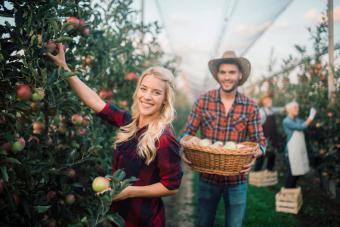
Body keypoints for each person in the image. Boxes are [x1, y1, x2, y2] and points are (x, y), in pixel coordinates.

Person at [47, 44, 183, 227]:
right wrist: (64, 69)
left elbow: (171, 186)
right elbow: (95, 101)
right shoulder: (128, 122)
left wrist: (129, 192)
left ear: (165, 100)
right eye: (144, 89)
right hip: (117, 216)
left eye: (156, 92)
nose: (147, 96)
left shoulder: (164, 138)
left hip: (144, 220)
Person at [181, 50, 266, 227]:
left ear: (240, 75)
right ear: (217, 75)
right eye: (223, 72)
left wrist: (256, 153)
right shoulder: (203, 101)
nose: (227, 77)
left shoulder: (250, 106)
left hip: (237, 179)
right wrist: (184, 147)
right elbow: (187, 132)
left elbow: (260, 142)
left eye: (232, 72)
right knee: (204, 223)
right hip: (207, 177)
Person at [282, 101, 316, 188]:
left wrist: (308, 120)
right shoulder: (286, 121)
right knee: (292, 171)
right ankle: (288, 190)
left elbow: (304, 124)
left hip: (299, 149)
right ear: (289, 110)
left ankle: (291, 189)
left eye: (297, 107)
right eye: (295, 108)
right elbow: (301, 127)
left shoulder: (297, 119)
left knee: (298, 171)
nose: (297, 109)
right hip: (291, 150)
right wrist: (311, 117)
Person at [253, 95, 284, 173]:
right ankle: (256, 174)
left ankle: (268, 173)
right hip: (264, 139)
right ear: (263, 101)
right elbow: (257, 125)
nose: (269, 101)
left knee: (272, 155)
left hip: (273, 138)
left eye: (270, 99)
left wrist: (286, 108)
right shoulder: (261, 111)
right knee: (261, 156)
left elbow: (280, 109)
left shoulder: (271, 110)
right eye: (267, 99)